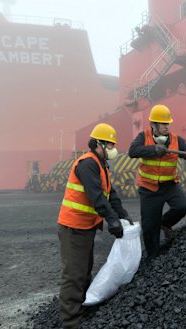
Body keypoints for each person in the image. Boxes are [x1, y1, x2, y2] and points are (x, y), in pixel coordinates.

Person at [57, 123, 132, 328]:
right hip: (73, 227)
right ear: (98, 144)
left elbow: (111, 194)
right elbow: (96, 196)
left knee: (84, 270)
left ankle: (82, 310)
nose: (113, 149)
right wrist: (112, 220)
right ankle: (71, 322)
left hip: (85, 227)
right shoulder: (87, 164)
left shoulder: (101, 165)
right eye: (110, 144)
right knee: (74, 274)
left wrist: (123, 215)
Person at [128, 104, 186, 259]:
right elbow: (133, 151)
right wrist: (154, 150)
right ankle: (153, 257)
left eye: (167, 123)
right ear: (153, 125)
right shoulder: (144, 137)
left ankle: (164, 223)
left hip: (170, 185)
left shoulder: (176, 140)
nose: (166, 127)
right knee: (149, 227)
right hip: (149, 189)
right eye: (162, 124)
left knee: (182, 207)